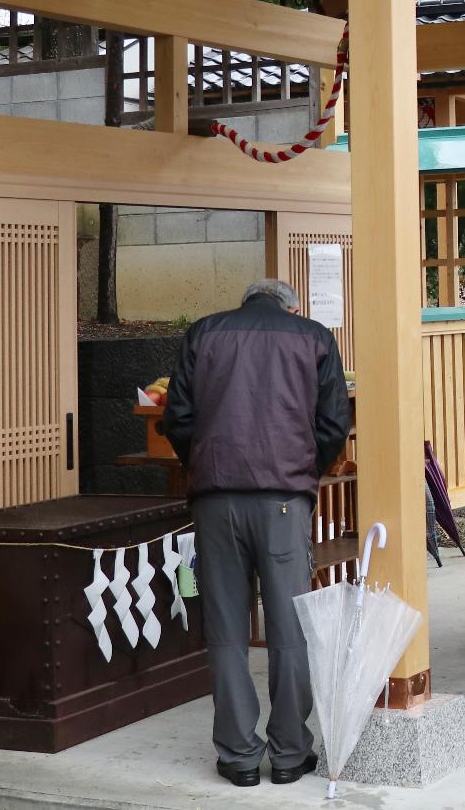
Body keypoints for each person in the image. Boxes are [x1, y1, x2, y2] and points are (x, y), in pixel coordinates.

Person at [163, 278, 352, 787]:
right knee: (289, 629)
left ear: (247, 301)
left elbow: (177, 416)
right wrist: (305, 471)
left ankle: (239, 756)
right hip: (284, 501)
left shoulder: (204, 333)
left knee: (226, 628)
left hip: (215, 499)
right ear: (290, 306)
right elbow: (335, 421)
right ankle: (290, 753)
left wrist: (203, 465)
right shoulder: (312, 336)